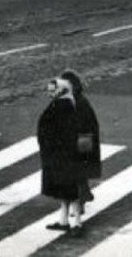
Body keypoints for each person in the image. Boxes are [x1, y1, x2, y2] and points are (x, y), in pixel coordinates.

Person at [37, 77, 87, 236]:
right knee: (65, 189)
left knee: (69, 189)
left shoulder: (62, 105)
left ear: (62, 90)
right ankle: (65, 221)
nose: (49, 94)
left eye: (53, 91)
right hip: (61, 152)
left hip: (63, 153)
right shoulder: (65, 103)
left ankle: (77, 223)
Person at [59, 69, 101, 215]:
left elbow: (84, 126)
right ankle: (84, 195)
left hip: (81, 141)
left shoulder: (79, 102)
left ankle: (80, 203)